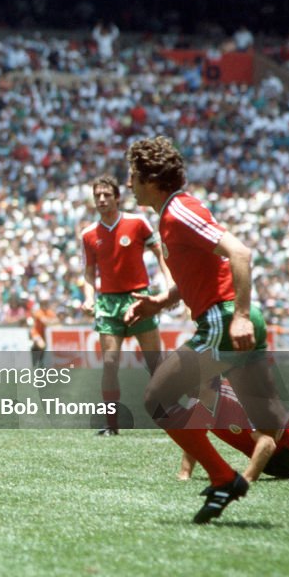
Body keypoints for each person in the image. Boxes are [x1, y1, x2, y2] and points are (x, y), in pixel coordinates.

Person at [124, 135, 289, 524]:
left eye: (132, 177)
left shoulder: (179, 210)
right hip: (230, 320)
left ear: (151, 179)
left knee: (156, 398)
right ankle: (226, 478)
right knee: (269, 426)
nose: (128, 185)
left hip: (224, 321)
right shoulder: (169, 216)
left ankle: (221, 477)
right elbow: (195, 276)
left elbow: (240, 252)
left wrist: (241, 315)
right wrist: (160, 302)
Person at [80, 175, 173, 436]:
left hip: (138, 298)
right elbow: (89, 273)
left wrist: (168, 285)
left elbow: (160, 253)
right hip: (108, 302)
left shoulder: (137, 223)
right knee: (110, 363)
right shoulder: (88, 234)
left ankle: (167, 413)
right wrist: (89, 297)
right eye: (97, 195)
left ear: (117, 197)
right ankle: (111, 424)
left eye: (106, 195)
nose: (101, 199)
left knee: (155, 362)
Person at [175, 378, 289, 482]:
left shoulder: (237, 399)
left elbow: (267, 441)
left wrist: (246, 479)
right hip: (270, 461)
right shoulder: (195, 404)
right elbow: (194, 441)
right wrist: (185, 473)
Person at [28, 293, 58, 369]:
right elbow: (45, 321)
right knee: (41, 345)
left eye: (46, 302)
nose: (45, 304)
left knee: (45, 347)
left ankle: (39, 362)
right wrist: (51, 321)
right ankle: (34, 354)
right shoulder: (38, 312)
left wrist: (51, 321)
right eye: (43, 303)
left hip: (44, 335)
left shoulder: (49, 312)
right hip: (36, 333)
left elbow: (57, 320)